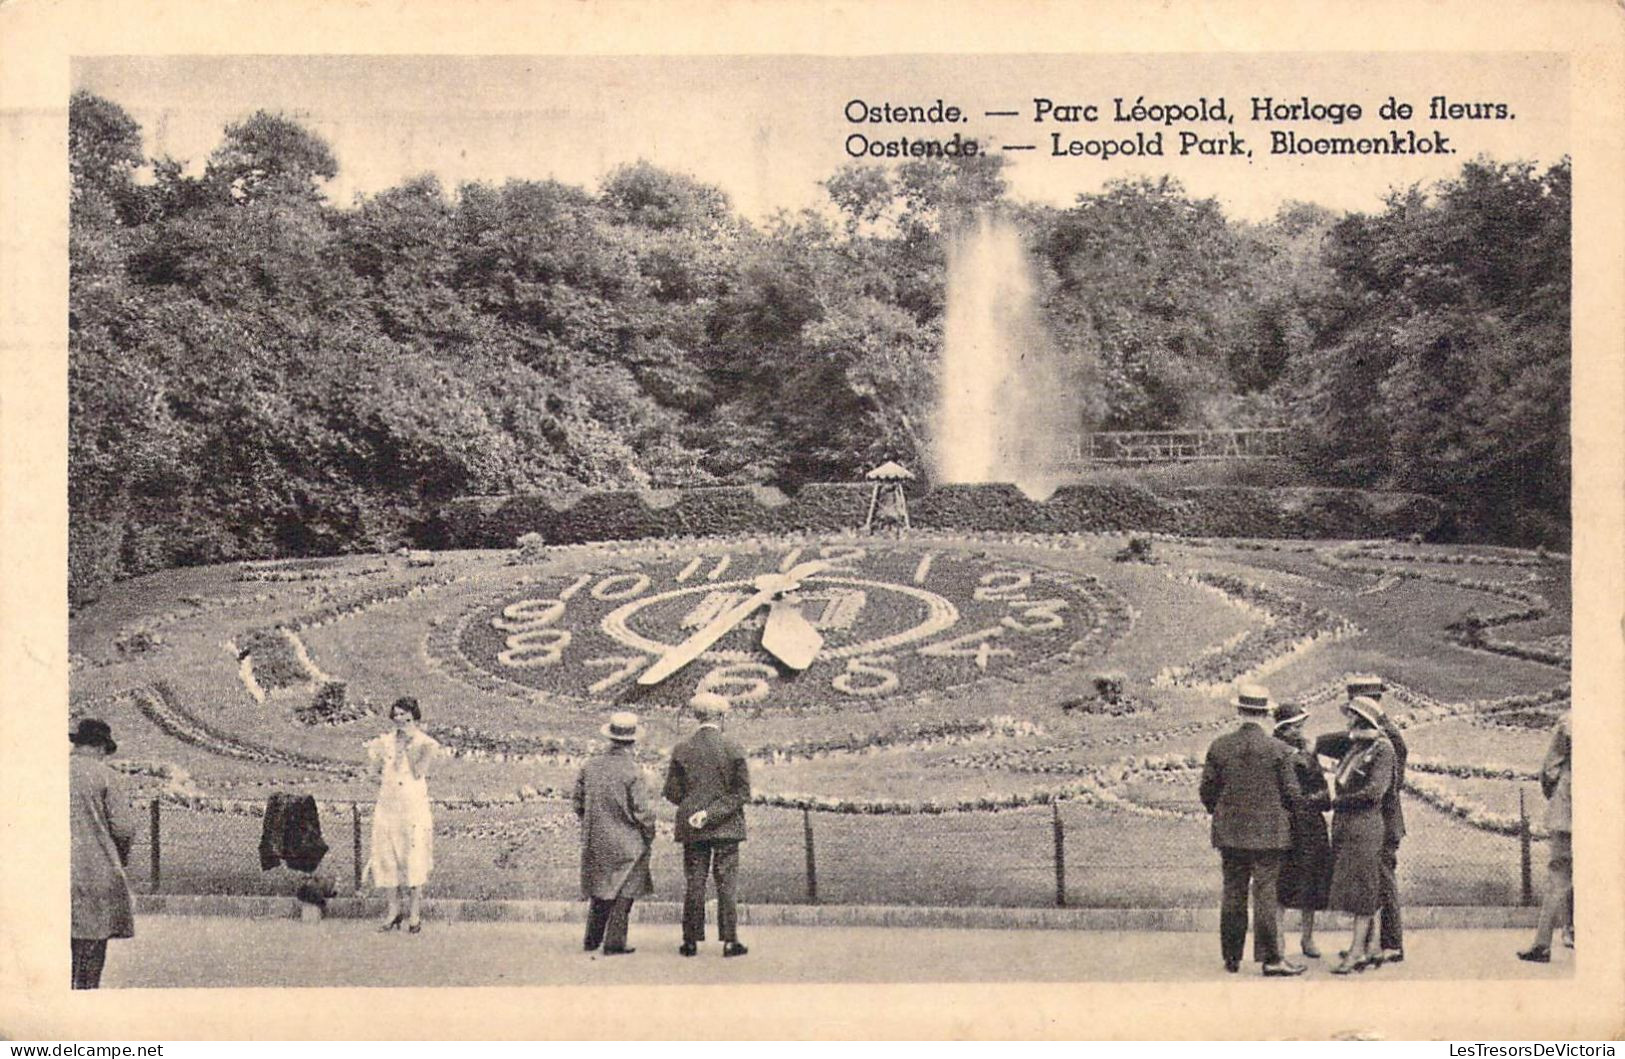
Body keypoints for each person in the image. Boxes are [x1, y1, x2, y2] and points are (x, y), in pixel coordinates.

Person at [1199, 685, 1306, 977]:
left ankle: (1232, 957)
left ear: (1239, 711)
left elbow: (1208, 791)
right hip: (1270, 835)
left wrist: (1222, 813)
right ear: (1266, 713)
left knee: (1233, 892)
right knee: (1265, 895)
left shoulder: (1219, 746)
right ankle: (1271, 959)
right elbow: (1293, 794)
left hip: (1231, 834)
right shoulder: (1279, 750)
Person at [1315, 674, 1407, 964]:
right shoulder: (1367, 735)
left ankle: (1390, 943)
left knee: (1381, 878)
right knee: (1371, 880)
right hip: (1370, 816)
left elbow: (1385, 776)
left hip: (1381, 817)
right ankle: (1369, 944)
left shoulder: (1385, 737)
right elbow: (1334, 741)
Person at [663, 691, 752, 958]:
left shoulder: (682, 749)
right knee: (726, 882)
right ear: (721, 717)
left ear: (696, 716)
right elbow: (742, 794)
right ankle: (730, 940)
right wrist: (712, 813)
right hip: (726, 825)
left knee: (695, 881)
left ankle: (690, 940)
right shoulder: (733, 748)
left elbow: (671, 792)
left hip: (692, 826)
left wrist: (695, 809)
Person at [574, 711, 656, 956]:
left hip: (597, 837)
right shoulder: (633, 771)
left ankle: (592, 938)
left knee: (601, 887)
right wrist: (648, 834)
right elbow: (642, 812)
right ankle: (615, 942)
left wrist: (595, 822)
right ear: (633, 741)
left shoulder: (590, 766)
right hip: (628, 839)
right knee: (625, 890)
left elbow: (578, 803)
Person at [70, 719, 136, 989]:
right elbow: (123, 828)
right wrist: (119, 857)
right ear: (99, 747)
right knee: (92, 943)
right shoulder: (106, 775)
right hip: (93, 870)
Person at [365, 696, 439, 933]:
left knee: (413, 858)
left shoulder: (426, 744)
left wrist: (407, 749)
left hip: (413, 808)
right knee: (387, 857)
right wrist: (383, 778)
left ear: (414, 716)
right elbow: (372, 773)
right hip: (388, 807)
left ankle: (415, 915)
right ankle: (393, 912)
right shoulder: (383, 742)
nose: (400, 719)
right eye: (396, 715)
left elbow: (419, 773)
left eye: (405, 715)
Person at [1272, 701, 1333, 959]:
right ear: (1283, 728)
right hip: (1286, 826)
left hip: (1311, 828)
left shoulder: (1308, 753)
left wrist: (1311, 799)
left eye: (1301, 725)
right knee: (1281, 884)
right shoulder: (1275, 752)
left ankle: (1307, 939)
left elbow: (1324, 794)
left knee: (1312, 883)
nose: (1300, 730)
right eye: (1295, 726)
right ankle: (1278, 941)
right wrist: (1307, 799)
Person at [1519, 712, 1572, 963]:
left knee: (1558, 875)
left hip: (1568, 810)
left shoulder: (1569, 722)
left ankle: (1542, 944)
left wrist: (1555, 793)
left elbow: (1549, 770)